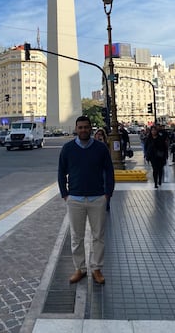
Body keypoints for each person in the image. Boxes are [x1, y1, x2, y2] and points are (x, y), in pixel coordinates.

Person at [58, 115, 114, 285]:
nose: (83, 130)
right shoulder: (67, 149)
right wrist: (65, 195)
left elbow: (109, 171)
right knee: (76, 237)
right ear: (76, 129)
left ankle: (96, 268)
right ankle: (80, 269)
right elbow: (61, 173)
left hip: (98, 198)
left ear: (91, 128)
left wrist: (107, 194)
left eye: (86, 127)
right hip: (75, 199)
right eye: (80, 127)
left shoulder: (101, 148)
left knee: (98, 236)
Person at [94, 127, 111, 211]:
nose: (99, 136)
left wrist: (103, 142)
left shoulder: (106, 145)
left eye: (100, 134)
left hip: (104, 168)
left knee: (105, 186)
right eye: (97, 134)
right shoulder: (92, 144)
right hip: (95, 169)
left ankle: (106, 203)